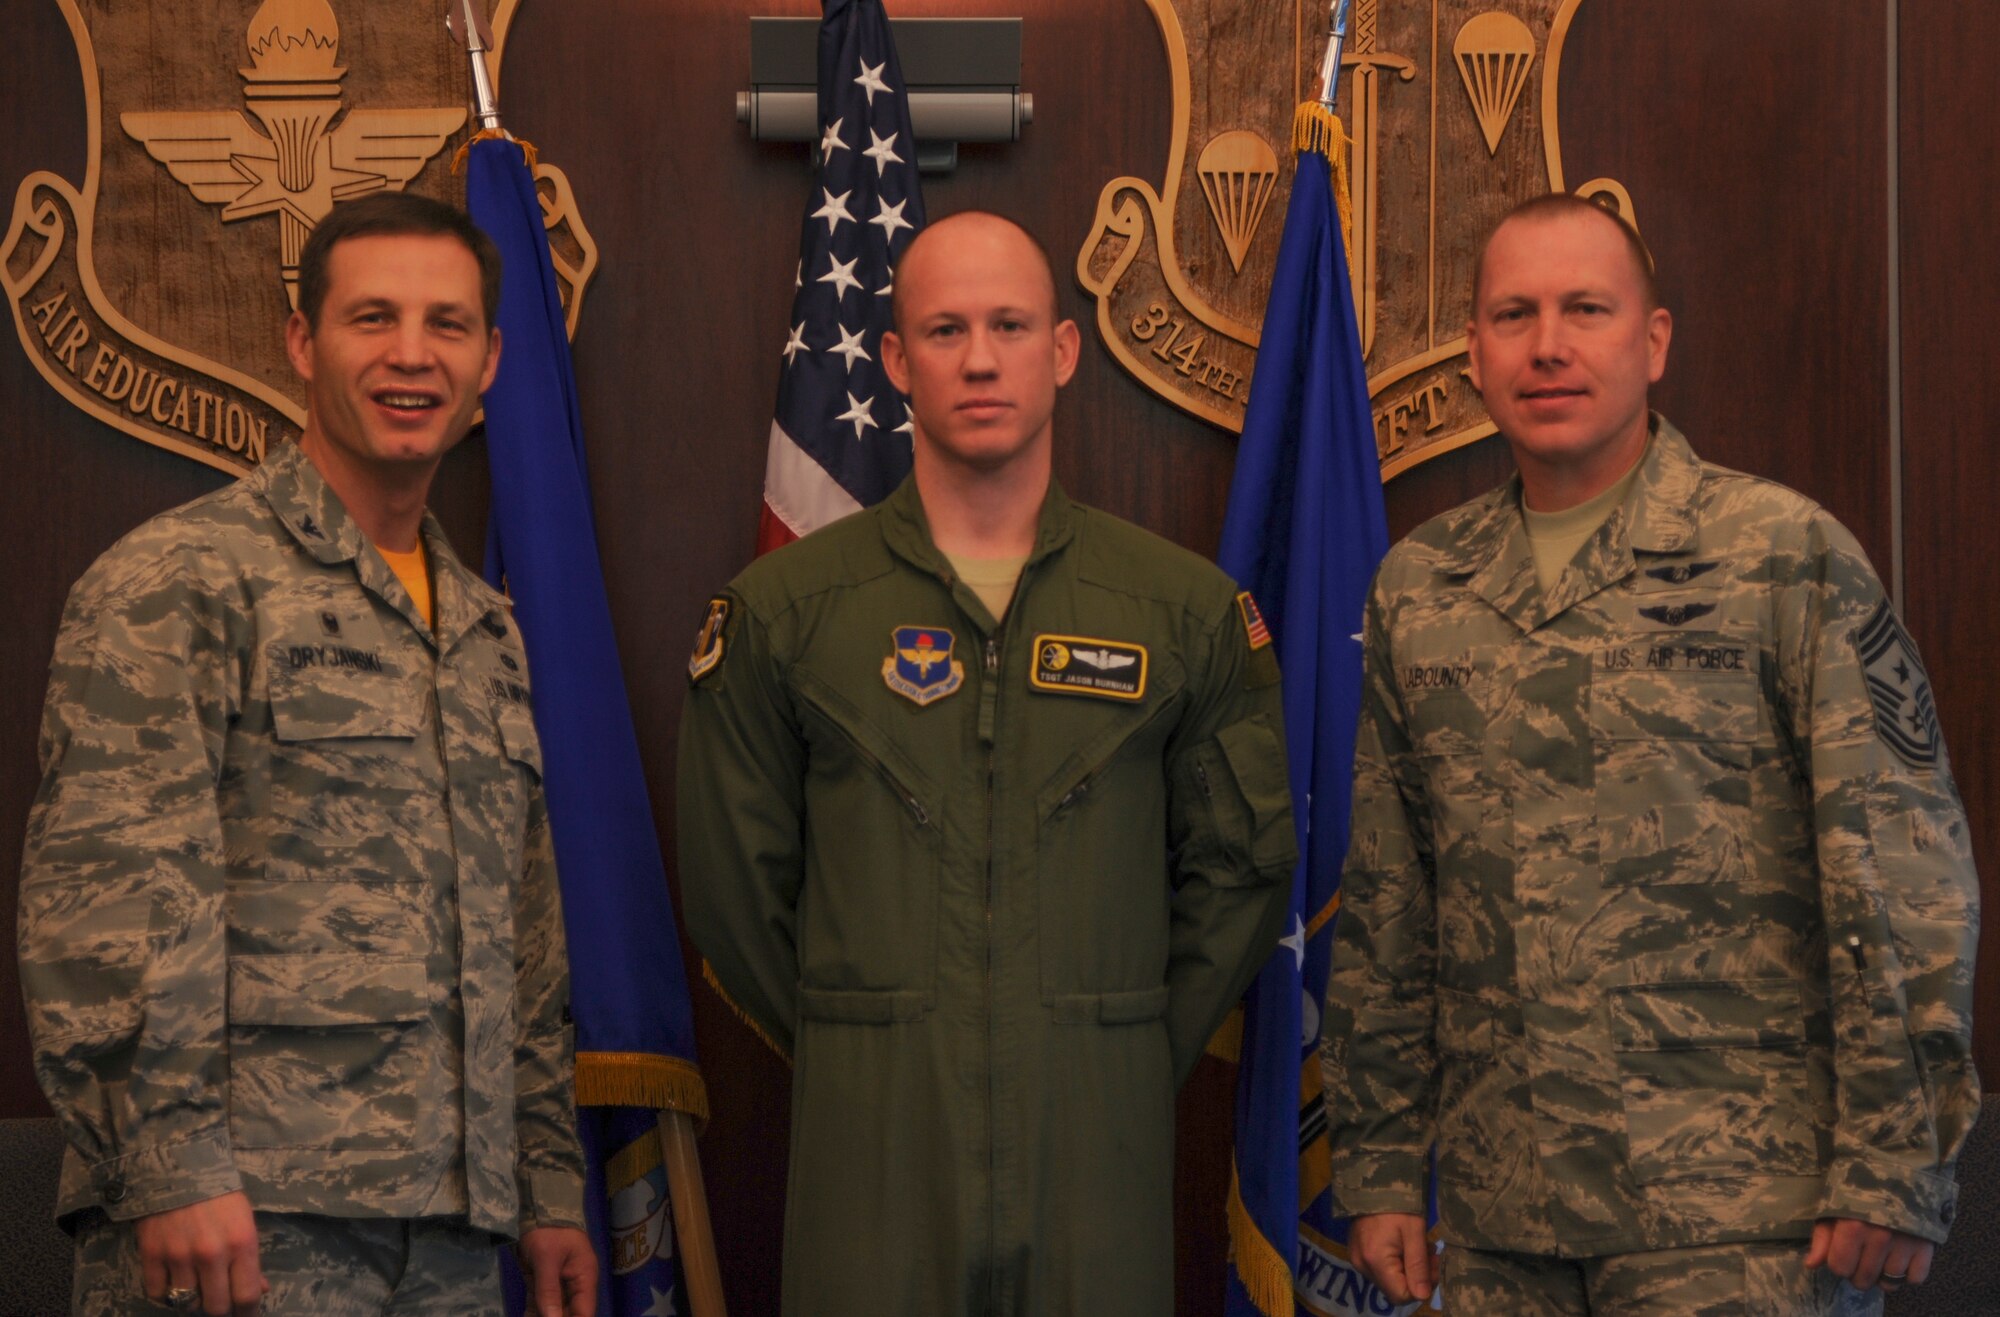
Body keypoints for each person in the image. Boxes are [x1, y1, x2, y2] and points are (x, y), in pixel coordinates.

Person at [1322, 191, 1980, 1314]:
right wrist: (1379, 1161)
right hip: (1499, 1217)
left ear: (1652, 340)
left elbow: (1894, 869)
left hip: (1742, 1220)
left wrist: (1891, 1157)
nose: (1548, 345)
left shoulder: (1778, 554)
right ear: (1473, 352)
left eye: (1585, 308)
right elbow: (1390, 901)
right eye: (1512, 315)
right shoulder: (1419, 590)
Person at [678, 211, 1296, 1314]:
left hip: (1095, 1143)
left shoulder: (1182, 612)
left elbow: (1238, 873)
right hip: (872, 1147)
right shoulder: (782, 613)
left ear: (1059, 351)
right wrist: (867, 1034)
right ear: (896, 362)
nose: (977, 358)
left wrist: (1113, 1043)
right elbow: (735, 893)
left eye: (1007, 325)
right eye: (945, 329)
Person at [17, 192, 596, 1317]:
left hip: (455, 1236)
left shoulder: (486, 635)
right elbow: (110, 896)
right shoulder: (182, 581)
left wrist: (546, 1188)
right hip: (240, 1225)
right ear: (300, 342)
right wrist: (170, 1165)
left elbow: (523, 942)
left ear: (490, 361)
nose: (411, 356)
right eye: (372, 318)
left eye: (448, 325)